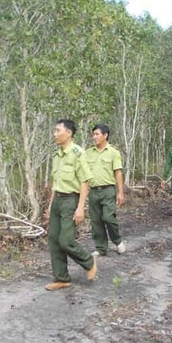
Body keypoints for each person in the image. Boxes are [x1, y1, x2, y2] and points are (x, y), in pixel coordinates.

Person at [43, 119, 97, 291]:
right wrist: (51, 205)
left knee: (65, 240)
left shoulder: (77, 153)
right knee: (53, 240)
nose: (54, 134)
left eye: (58, 130)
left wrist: (81, 207)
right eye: (54, 130)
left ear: (69, 133)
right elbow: (55, 182)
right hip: (58, 200)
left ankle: (88, 262)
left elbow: (84, 182)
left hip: (70, 201)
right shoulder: (57, 154)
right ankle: (62, 278)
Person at [85, 124, 126, 256]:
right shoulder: (88, 153)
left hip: (108, 190)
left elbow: (118, 173)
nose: (94, 137)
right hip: (93, 191)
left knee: (108, 217)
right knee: (96, 220)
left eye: (97, 134)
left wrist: (120, 193)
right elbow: (83, 174)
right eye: (93, 134)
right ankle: (101, 248)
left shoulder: (113, 152)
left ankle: (117, 241)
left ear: (105, 135)